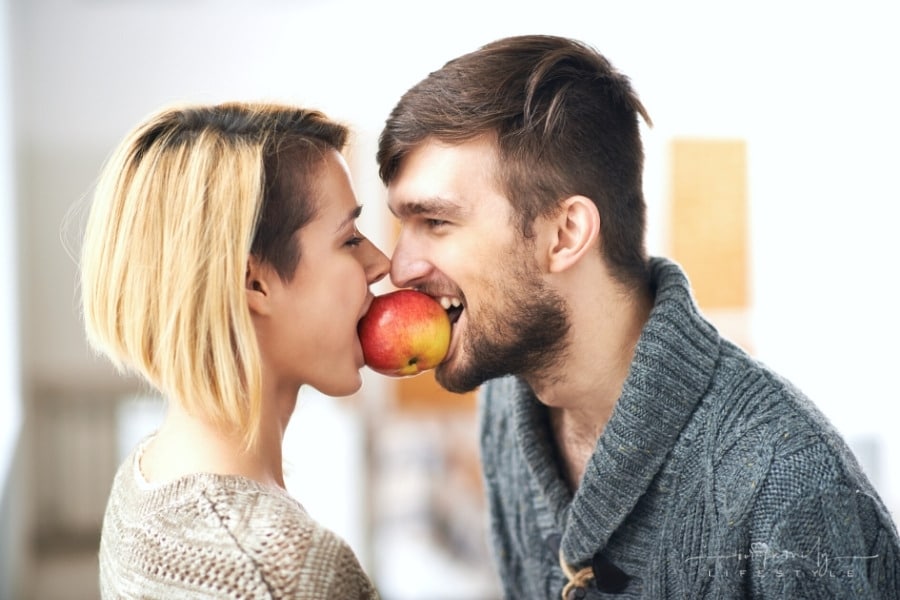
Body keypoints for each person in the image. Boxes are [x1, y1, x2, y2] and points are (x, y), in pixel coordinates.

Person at [376, 35, 900, 599]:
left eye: (436, 222)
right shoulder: (505, 406)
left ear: (565, 234)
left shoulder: (794, 488)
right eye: (404, 223)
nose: (399, 268)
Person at [80, 101, 388, 598]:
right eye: (350, 239)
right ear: (253, 282)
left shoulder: (144, 477)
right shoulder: (283, 573)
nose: (381, 263)